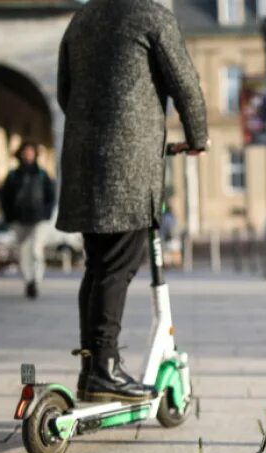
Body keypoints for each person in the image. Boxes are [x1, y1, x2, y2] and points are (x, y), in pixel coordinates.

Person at [56, 0, 208, 402]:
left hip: (83, 160)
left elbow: (63, 93)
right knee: (118, 266)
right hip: (127, 165)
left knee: (98, 265)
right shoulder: (152, 17)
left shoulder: (81, 19)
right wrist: (198, 138)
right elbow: (185, 83)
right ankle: (105, 368)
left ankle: (93, 366)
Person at [0, 141, 56, 299]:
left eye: (31, 151)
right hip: (19, 219)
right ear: (21, 154)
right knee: (23, 251)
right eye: (25, 151)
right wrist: (9, 215)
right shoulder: (13, 175)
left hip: (39, 219)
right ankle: (28, 280)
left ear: (35, 154)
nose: (28, 154)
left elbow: (51, 196)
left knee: (36, 249)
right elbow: (4, 197)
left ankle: (36, 279)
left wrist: (47, 213)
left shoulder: (42, 175)